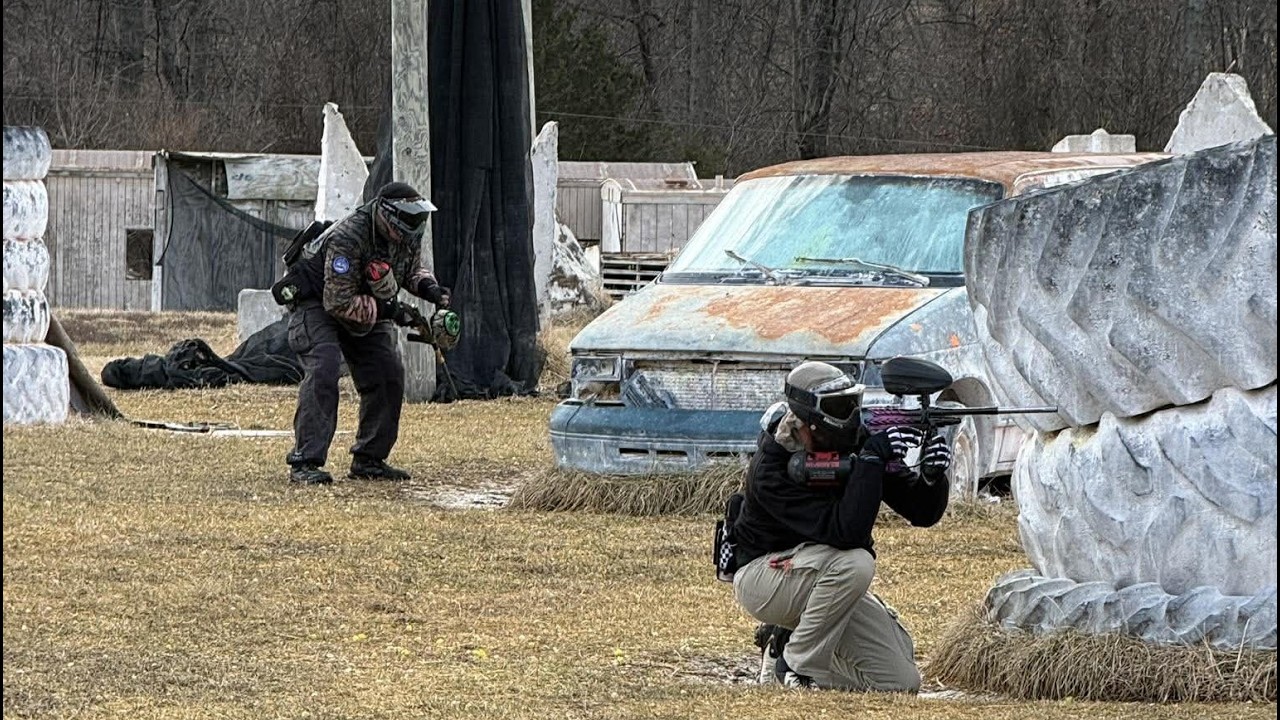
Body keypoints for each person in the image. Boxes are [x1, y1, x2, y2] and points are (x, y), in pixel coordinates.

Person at [730, 360, 952, 691]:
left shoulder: (856, 442)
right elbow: (846, 533)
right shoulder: (772, 470)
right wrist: (873, 460)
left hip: (821, 578)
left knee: (901, 682)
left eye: (853, 403)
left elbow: (921, 513)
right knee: (856, 563)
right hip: (763, 577)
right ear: (809, 417)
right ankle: (798, 665)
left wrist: (932, 479)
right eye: (838, 407)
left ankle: (783, 648)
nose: (850, 416)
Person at [282, 181, 451, 486]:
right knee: (324, 366)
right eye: (410, 219)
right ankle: (305, 461)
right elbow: (338, 301)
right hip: (316, 302)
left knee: (388, 372)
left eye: (418, 218)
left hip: (364, 300)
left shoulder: (407, 232)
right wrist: (394, 312)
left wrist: (432, 290)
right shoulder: (349, 236)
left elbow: (411, 270)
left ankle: (370, 458)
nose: (416, 226)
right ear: (385, 214)